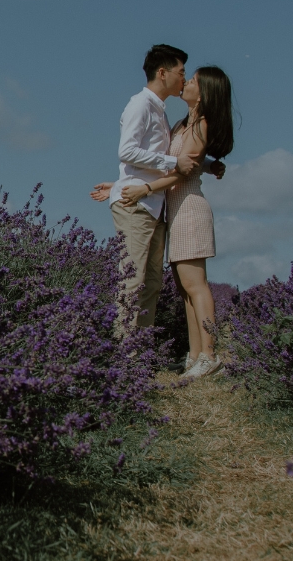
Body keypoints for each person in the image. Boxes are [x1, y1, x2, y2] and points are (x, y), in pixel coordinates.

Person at [101, 66, 234, 378]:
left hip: (189, 208)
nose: (185, 82)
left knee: (195, 285)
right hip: (174, 209)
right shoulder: (183, 124)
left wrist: (145, 189)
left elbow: (182, 171)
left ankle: (209, 356)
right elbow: (175, 162)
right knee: (184, 288)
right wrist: (117, 185)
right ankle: (196, 355)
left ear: (202, 94)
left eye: (192, 80)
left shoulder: (200, 124)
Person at [91, 45, 200, 331]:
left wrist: (208, 165)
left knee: (151, 282)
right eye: (181, 72)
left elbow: (141, 163)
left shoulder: (159, 110)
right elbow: (127, 151)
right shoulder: (140, 105)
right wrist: (172, 161)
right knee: (133, 279)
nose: (184, 79)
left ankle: (141, 357)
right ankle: (125, 358)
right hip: (135, 205)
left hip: (153, 203)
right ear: (162, 73)